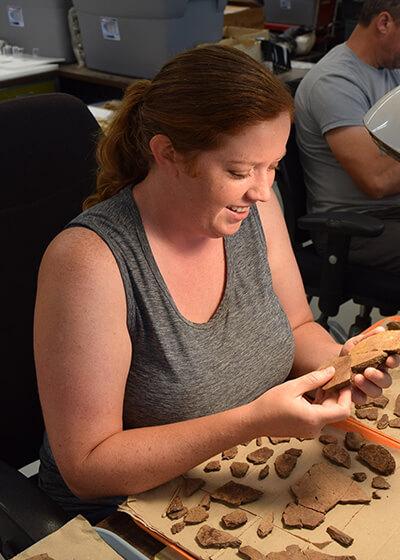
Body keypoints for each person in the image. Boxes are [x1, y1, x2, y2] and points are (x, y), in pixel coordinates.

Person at [34, 45, 395, 524]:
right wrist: (250, 423)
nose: (264, 191)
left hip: (240, 474)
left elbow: (299, 324)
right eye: (240, 171)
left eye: (273, 166)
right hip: (124, 515)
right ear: (167, 154)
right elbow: (88, 466)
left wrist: (343, 366)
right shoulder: (89, 262)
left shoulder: (253, 209)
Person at [295, 0, 400, 275]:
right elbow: (376, 180)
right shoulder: (334, 81)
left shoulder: (391, 68)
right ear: (384, 23)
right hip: (356, 228)